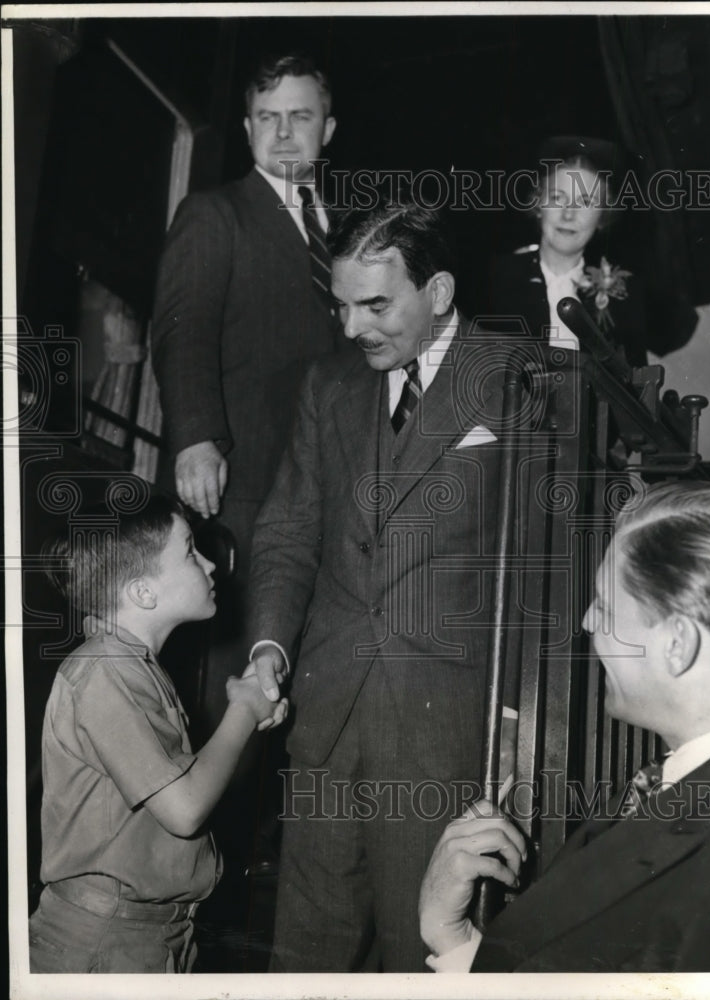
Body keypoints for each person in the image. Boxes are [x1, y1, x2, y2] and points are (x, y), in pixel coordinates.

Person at [247, 201, 508, 971]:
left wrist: (523, 727)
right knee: (303, 958)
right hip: (326, 716)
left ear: (439, 292)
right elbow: (288, 531)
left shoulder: (517, 381)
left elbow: (546, 564)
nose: (352, 327)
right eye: (341, 306)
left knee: (416, 953)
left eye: (374, 306)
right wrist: (268, 648)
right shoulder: (327, 386)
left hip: (442, 735)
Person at [419, 479, 710, 972]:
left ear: (677, 645)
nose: (586, 622)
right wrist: (458, 942)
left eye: (603, 606)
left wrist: (444, 937)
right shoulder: (696, 785)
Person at [150, 50, 341, 870]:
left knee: (291, 683)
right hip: (238, 487)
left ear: (328, 129)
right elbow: (181, 329)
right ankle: (197, 872)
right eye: (268, 118)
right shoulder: (215, 213)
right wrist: (196, 436)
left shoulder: (339, 232)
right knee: (229, 685)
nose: (284, 132)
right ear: (247, 128)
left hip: (320, 494)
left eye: (300, 116)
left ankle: (260, 864)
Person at [28, 493, 287, 973]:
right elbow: (184, 809)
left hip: (151, 935)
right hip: (105, 943)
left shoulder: (133, 667)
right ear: (143, 593)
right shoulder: (104, 671)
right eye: (189, 551)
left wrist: (250, 709)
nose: (210, 564)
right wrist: (244, 711)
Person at [488, 135, 648, 367]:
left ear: (602, 216)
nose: (568, 214)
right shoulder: (494, 279)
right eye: (557, 198)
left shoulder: (623, 296)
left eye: (585, 202)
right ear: (538, 203)